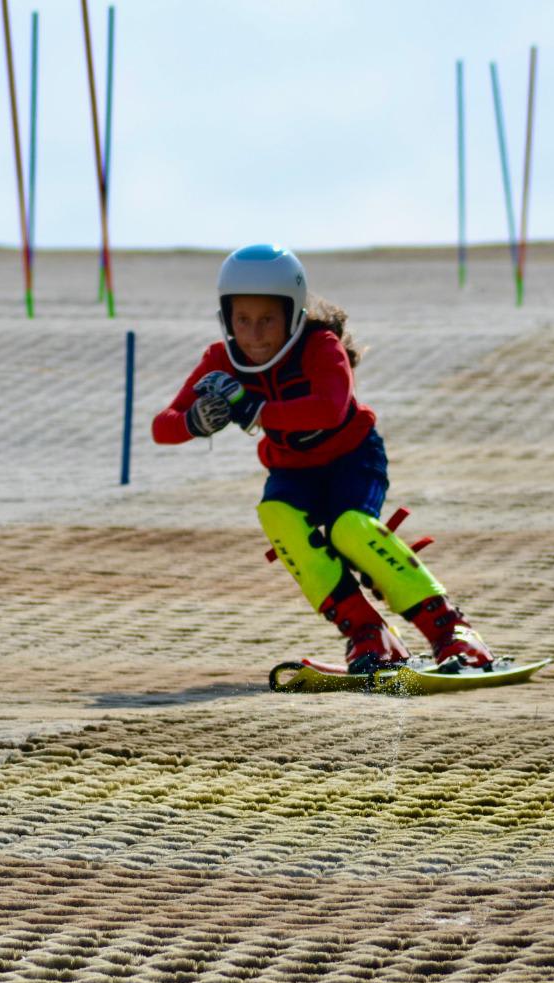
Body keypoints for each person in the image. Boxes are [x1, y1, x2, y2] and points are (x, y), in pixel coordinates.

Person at [151, 244, 496, 674]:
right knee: (276, 515)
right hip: (292, 468)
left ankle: (453, 632)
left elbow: (330, 409)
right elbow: (162, 426)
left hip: (352, 457)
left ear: (292, 314)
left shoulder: (320, 345)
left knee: (350, 528)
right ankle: (371, 636)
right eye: (242, 320)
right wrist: (194, 421)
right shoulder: (221, 360)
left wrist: (257, 410)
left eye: (267, 320)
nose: (254, 334)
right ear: (226, 318)